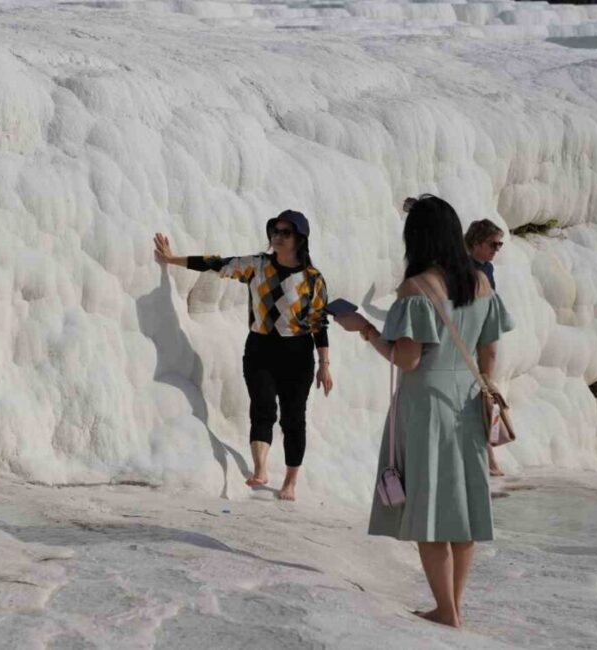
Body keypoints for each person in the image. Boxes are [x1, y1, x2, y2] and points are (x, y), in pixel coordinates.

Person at [334, 195, 513, 628]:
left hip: (427, 402)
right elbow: (490, 352)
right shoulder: (480, 284)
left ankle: (446, 612)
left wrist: (366, 331)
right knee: (465, 506)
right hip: (467, 399)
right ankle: (452, 605)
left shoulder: (416, 289)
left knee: (431, 506)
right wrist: (484, 390)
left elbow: (407, 360)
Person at [154, 210, 333, 501]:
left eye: (285, 232)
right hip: (260, 349)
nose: (277, 236)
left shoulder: (313, 280)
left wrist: (324, 365)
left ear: (300, 238)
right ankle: (261, 469)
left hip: (297, 354)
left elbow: (319, 325)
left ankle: (290, 482)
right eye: (275, 230)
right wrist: (173, 259)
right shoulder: (257, 265)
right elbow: (217, 263)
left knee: (293, 419)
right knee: (262, 406)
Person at [465, 219, 506, 475]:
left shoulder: (487, 268)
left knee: (487, 397)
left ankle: (490, 452)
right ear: (477, 241)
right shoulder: (461, 266)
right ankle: (488, 458)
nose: (496, 250)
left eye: (500, 245)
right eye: (493, 244)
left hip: (484, 340)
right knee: (479, 397)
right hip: (469, 343)